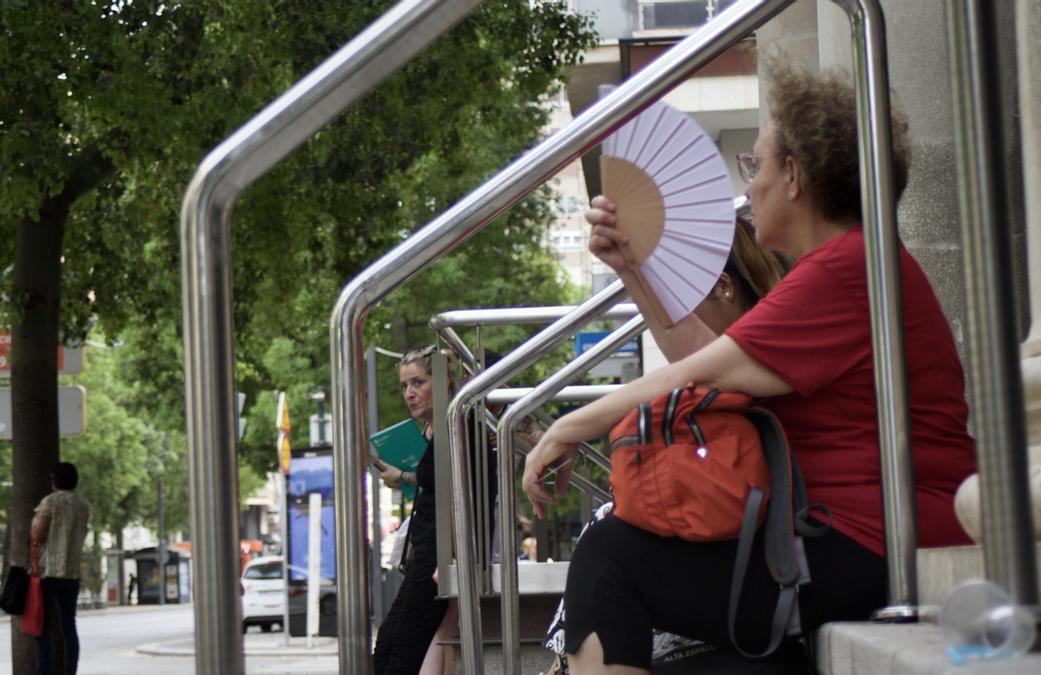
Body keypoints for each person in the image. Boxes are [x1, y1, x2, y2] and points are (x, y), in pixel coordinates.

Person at [523, 62, 977, 674]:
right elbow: (709, 360)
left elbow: (701, 374)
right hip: (854, 542)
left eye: (754, 165)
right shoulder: (852, 263)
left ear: (793, 176)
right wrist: (633, 270)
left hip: (873, 547)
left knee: (611, 556)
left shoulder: (845, 270)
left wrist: (570, 423)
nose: (750, 181)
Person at [542, 211, 792, 673]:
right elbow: (692, 356)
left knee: (608, 547)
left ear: (722, 287)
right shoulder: (758, 343)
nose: (679, 315)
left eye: (684, 297)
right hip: (774, 557)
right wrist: (631, 269)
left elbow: (692, 360)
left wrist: (568, 426)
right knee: (609, 538)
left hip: (788, 567)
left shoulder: (769, 340)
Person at [372, 345, 496, 675]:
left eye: (418, 383)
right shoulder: (440, 428)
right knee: (388, 644)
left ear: (444, 382)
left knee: (401, 651)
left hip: (439, 555)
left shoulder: (461, 426)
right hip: (427, 552)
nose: (409, 394)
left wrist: (456, 554)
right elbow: (442, 481)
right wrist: (404, 477)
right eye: (403, 386)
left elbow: (471, 492)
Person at [30, 462, 92, 675]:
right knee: (69, 626)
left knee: (42, 628)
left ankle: (43, 671)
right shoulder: (83, 505)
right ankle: (70, 671)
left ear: (54, 481)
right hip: (72, 572)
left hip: (49, 572)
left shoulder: (50, 502)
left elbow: (38, 534)